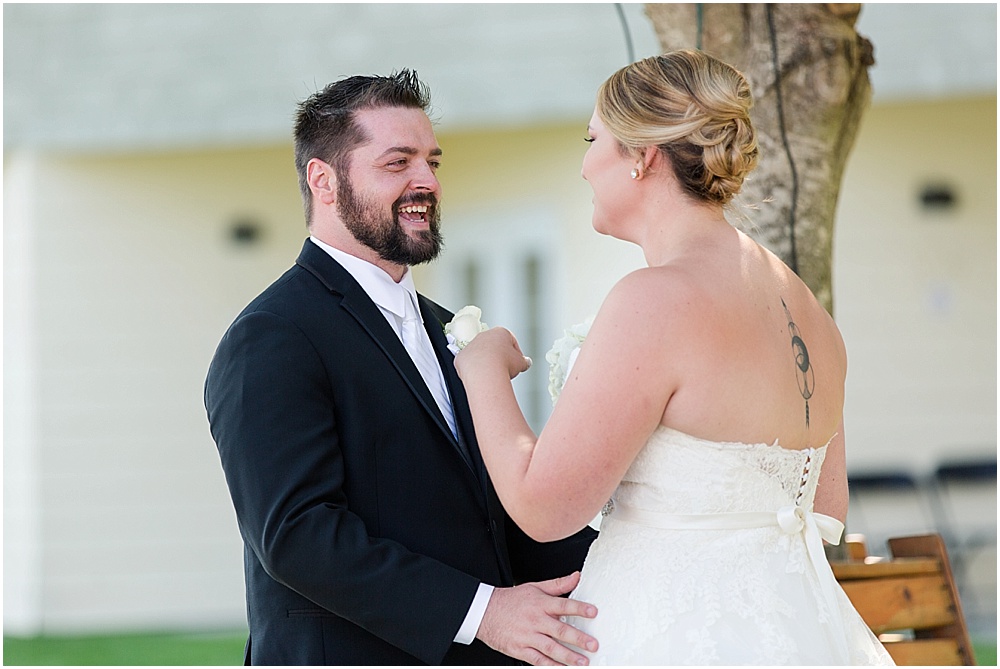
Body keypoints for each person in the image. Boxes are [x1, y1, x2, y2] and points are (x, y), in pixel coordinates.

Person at [454, 50, 895, 665]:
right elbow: (825, 507)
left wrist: (481, 371)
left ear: (643, 156)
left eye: (592, 139)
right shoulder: (808, 310)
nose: (584, 166)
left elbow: (544, 508)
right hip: (802, 632)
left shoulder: (655, 300)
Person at [204, 70, 598, 666]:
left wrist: (645, 557)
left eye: (432, 162)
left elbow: (494, 510)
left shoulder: (447, 328)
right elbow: (297, 536)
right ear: (325, 181)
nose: (427, 181)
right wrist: (482, 611)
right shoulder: (273, 335)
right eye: (398, 163)